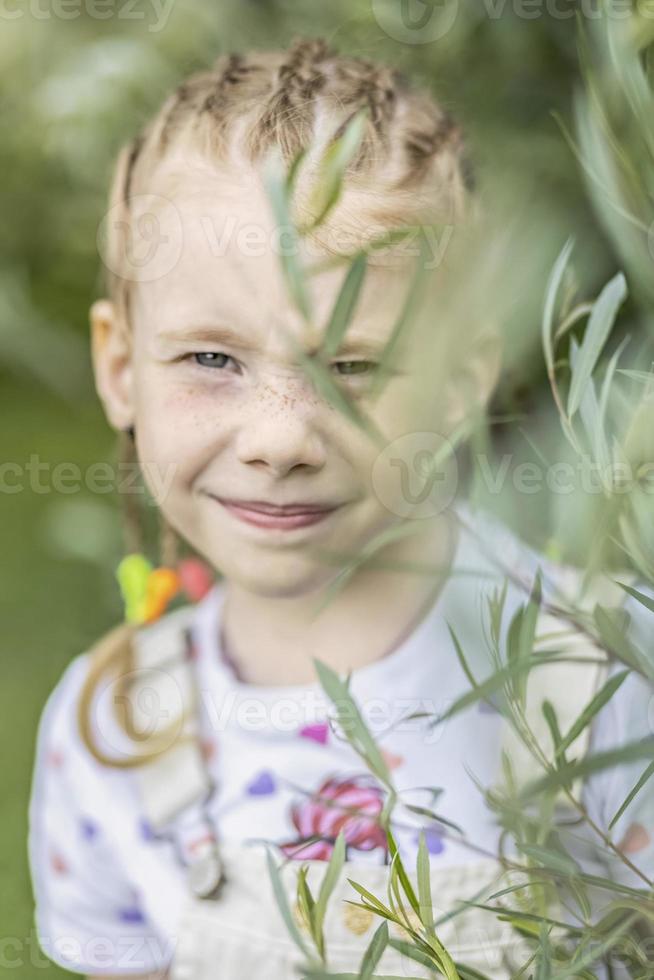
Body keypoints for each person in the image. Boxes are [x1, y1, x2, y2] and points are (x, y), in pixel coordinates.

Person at [27, 36, 654, 979]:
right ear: (121, 369)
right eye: (212, 360)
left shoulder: (600, 676)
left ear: (458, 381)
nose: (280, 440)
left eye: (351, 367)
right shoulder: (115, 734)